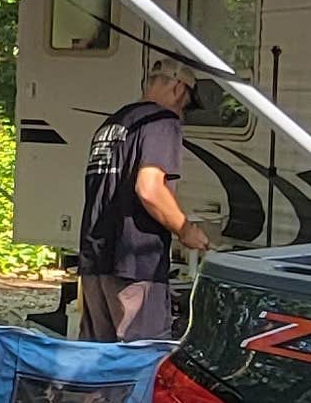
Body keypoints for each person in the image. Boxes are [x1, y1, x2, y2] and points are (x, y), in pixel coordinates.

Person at [74, 59, 210, 341]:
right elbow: (149, 188)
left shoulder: (111, 125)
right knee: (140, 358)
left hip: (95, 260)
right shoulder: (162, 121)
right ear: (177, 87)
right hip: (135, 265)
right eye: (185, 103)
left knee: (98, 359)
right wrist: (185, 229)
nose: (182, 112)